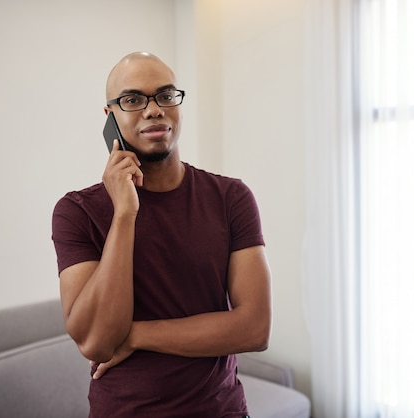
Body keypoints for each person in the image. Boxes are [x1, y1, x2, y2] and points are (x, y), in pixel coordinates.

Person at [51, 51, 272, 418]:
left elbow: (254, 328)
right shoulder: (77, 211)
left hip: (221, 410)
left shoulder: (231, 197)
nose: (154, 109)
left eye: (166, 95)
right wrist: (125, 213)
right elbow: (97, 342)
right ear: (111, 119)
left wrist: (136, 335)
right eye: (133, 100)